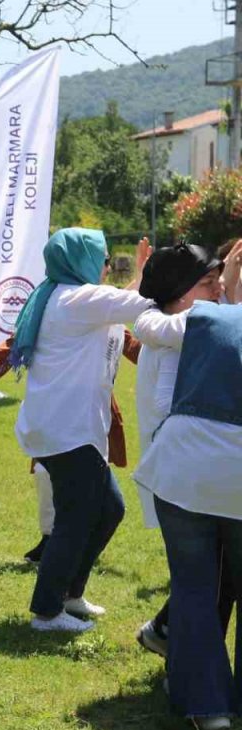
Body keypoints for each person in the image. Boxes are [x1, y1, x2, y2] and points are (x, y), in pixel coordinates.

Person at [11, 227, 155, 632]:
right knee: (76, 519)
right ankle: (47, 611)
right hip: (68, 431)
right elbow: (139, 304)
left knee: (109, 508)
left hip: (62, 428)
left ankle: (69, 595)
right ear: (83, 261)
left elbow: (116, 301)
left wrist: (140, 272)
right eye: (104, 258)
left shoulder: (62, 294)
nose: (108, 265)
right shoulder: (79, 300)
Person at [132, 296, 242, 730]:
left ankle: (206, 706)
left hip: (186, 465)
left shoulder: (205, 316)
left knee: (194, 586)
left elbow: (146, 327)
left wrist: (145, 289)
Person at [0, 331, 141, 563]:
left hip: (92, 414)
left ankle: (73, 551)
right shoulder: (50, 311)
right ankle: (51, 538)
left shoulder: (106, 314)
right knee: (45, 474)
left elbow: (140, 350)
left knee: (104, 497)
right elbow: (16, 345)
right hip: (54, 408)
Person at [129, 244, 232, 657]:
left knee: (215, 576)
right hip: (184, 480)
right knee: (209, 577)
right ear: (181, 292)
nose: (219, 290)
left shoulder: (180, 326)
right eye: (208, 284)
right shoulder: (172, 333)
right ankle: (182, 653)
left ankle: (171, 638)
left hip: (194, 477)